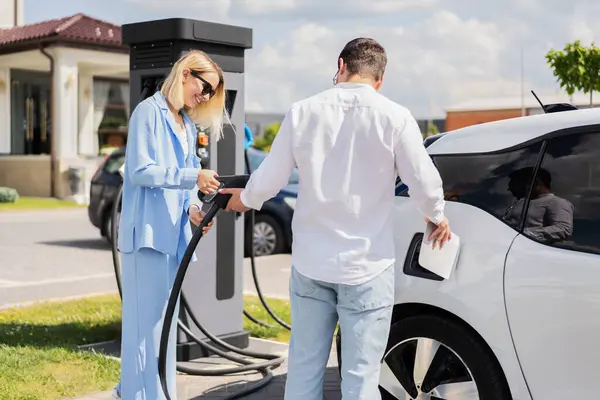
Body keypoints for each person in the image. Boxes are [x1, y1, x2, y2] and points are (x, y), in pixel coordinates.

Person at [220, 38, 451, 399]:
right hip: (367, 268)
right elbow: (423, 182)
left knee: (304, 371)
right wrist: (437, 217)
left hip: (312, 264)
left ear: (341, 65)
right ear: (379, 80)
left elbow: (269, 178)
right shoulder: (395, 116)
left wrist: (243, 200)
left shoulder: (303, 111)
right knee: (361, 378)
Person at [114, 50, 228, 400]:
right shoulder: (147, 113)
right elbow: (140, 171)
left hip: (172, 238)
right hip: (146, 238)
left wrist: (195, 210)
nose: (206, 96)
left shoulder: (187, 124)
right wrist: (193, 174)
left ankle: (160, 394)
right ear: (184, 73)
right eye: (205, 86)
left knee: (162, 330)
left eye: (212, 92)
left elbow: (188, 188)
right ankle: (135, 395)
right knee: (143, 332)